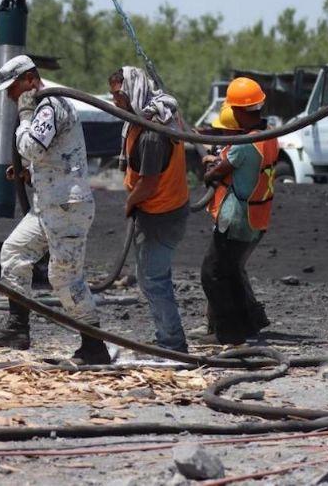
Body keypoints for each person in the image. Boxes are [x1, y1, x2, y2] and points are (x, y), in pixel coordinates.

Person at [0, 55, 110, 364]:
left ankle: (94, 345)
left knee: (64, 278)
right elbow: (49, 154)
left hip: (67, 206)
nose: (11, 96)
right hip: (49, 205)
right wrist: (29, 173)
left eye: (13, 89)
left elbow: (32, 147)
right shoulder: (44, 107)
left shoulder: (49, 106)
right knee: (13, 253)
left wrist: (25, 117)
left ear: (30, 79)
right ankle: (18, 328)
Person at [108, 66, 190, 352]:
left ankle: (172, 344)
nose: (115, 100)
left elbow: (149, 182)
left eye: (119, 94)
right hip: (158, 210)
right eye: (112, 95)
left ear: (133, 89)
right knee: (149, 278)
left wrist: (130, 201)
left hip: (161, 213)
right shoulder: (146, 120)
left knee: (154, 280)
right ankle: (166, 338)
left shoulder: (153, 133)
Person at [200, 78, 278, 345]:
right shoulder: (266, 138)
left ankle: (228, 333)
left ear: (240, 111)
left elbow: (215, 173)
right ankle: (247, 325)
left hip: (236, 218)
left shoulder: (244, 144)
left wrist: (209, 165)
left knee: (213, 274)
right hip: (256, 216)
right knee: (231, 271)